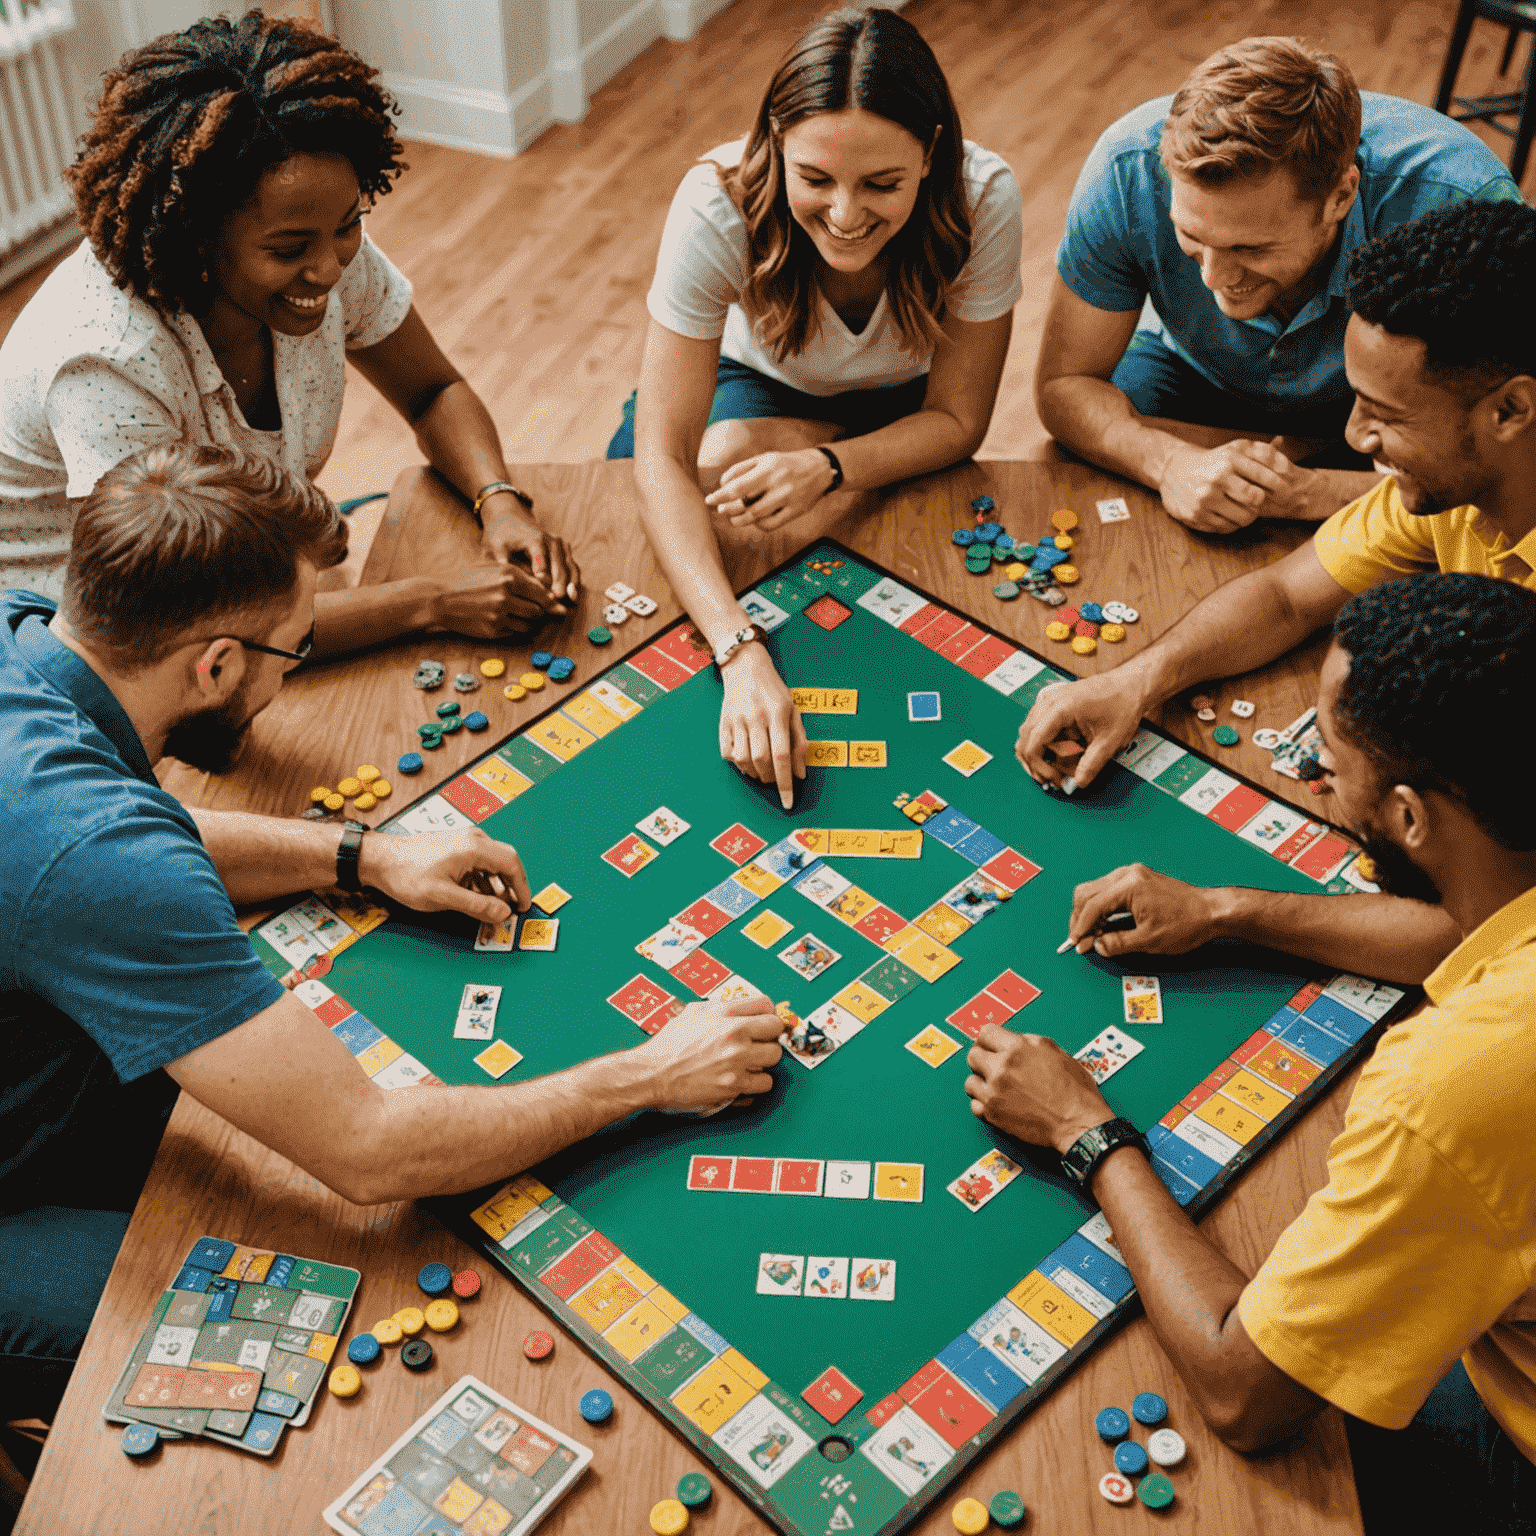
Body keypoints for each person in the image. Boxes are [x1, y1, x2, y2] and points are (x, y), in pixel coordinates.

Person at [0, 443, 782, 1420]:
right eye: (293, 649)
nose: (287, 674)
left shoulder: (22, 638)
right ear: (215, 664)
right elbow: (371, 1153)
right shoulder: (98, 860)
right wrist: (654, 1072)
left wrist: (362, 855)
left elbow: (104, 831)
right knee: (283, 1341)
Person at [971, 573, 1536, 1535]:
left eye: (1330, 751)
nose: (1314, 770)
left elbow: (1245, 1395)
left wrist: (1085, 1132)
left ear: (1407, 817)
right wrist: (1227, 910)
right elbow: (1482, 928)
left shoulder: (1452, 1085)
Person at [0, 10, 578, 654]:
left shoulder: (314, 241)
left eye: (348, 224)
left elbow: (433, 391)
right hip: (83, 633)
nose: (330, 269)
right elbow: (193, 626)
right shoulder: (105, 362)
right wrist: (433, 601)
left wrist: (497, 497)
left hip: (246, 570)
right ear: (197, 241)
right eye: (289, 248)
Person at [625, 6, 1022, 808]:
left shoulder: (985, 197)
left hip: (908, 411)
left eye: (882, 184)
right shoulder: (714, 202)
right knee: (709, 479)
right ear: (774, 145)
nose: (845, 215)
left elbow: (958, 422)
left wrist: (829, 464)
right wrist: (739, 653)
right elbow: (660, 451)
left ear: (931, 153)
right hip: (753, 389)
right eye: (815, 179)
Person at [1019, 196, 1536, 793]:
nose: (1353, 434)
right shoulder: (1461, 490)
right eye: (1357, 400)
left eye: (1387, 415)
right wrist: (1133, 682)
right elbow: (1288, 594)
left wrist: (1227, 896)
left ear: (1510, 410)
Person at [1039, 36, 1521, 534]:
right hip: (1188, 373)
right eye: (1190, 235)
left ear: (1340, 196)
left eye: (1250, 249)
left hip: (1375, 417)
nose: (1213, 279)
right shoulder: (1127, 170)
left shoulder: (1459, 206)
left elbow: (1515, 464)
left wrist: (1315, 492)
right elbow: (1063, 387)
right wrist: (1167, 463)